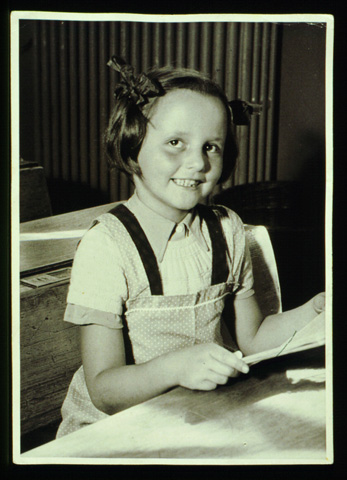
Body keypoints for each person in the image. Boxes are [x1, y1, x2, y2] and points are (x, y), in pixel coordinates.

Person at [56, 57, 325, 438]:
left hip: (196, 414)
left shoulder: (228, 229)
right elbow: (104, 390)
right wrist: (175, 368)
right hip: (113, 430)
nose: (197, 162)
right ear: (132, 145)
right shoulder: (107, 245)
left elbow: (252, 341)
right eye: (175, 143)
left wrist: (313, 310)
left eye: (211, 146)